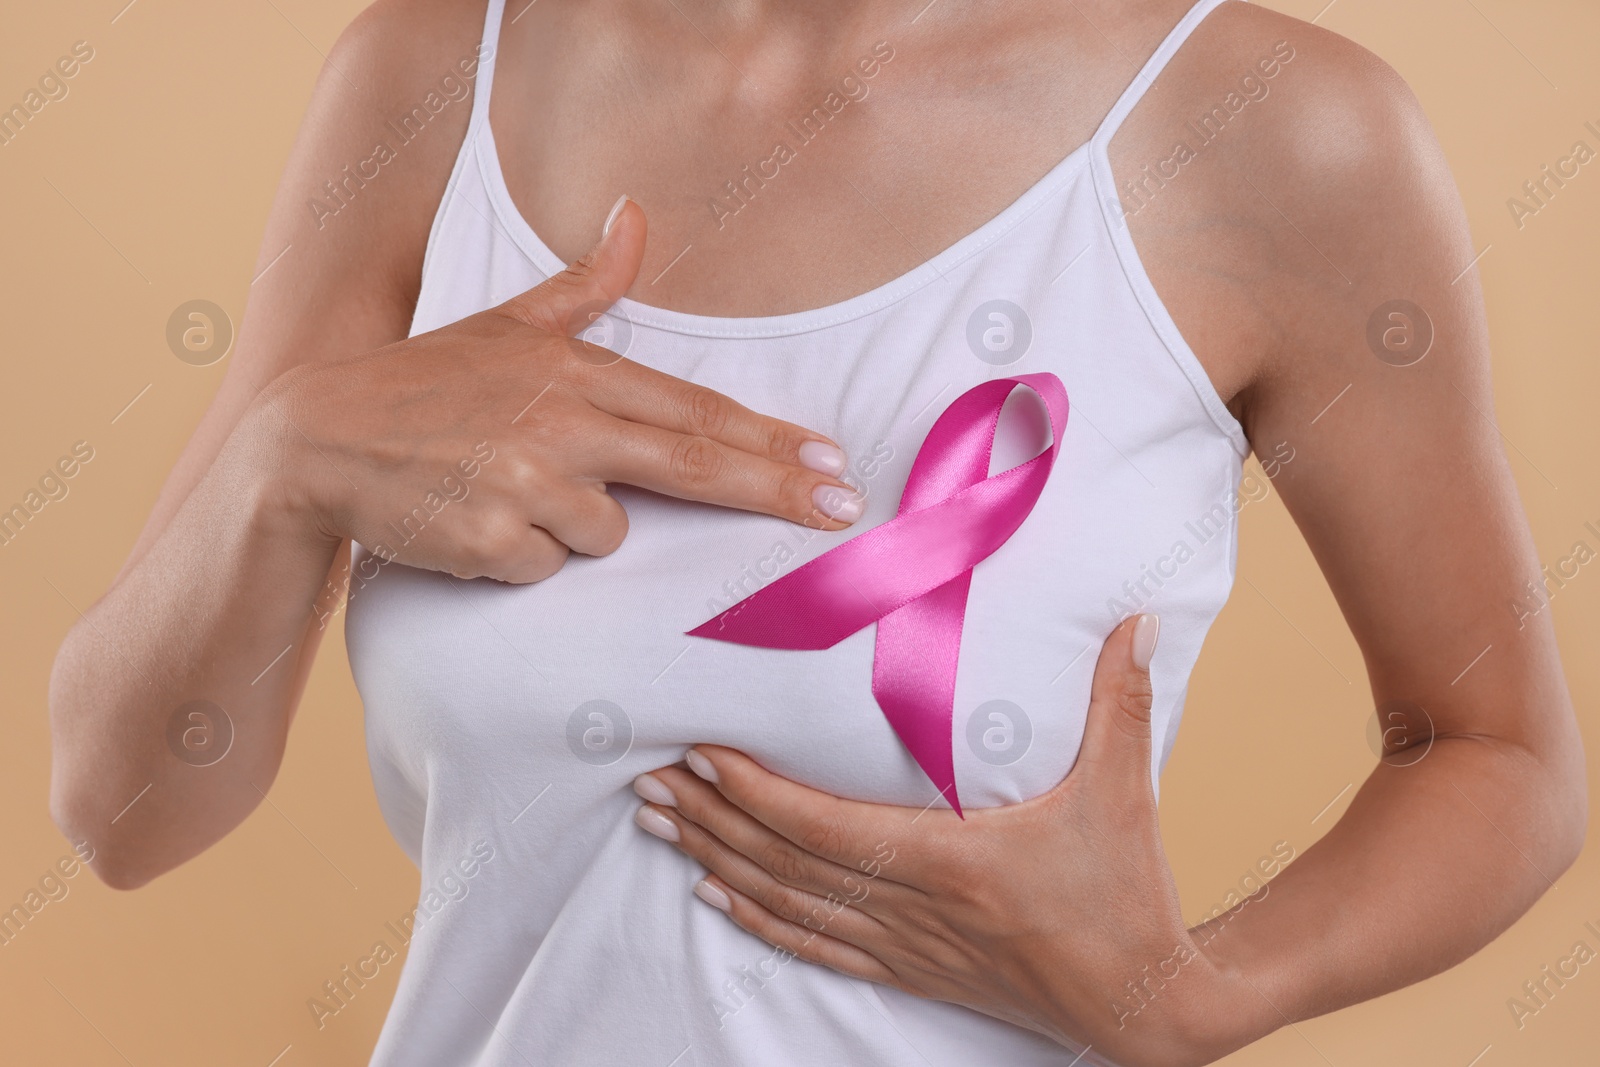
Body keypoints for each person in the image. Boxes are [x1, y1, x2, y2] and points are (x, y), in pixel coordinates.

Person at [48, 0, 1585, 1064]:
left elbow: (1501, 756)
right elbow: (122, 812)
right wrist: (282, 464)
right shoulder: (434, 74)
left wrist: (1194, 997)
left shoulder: (1271, 136)